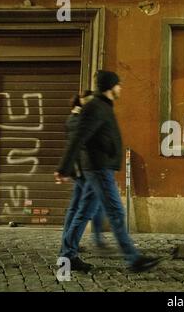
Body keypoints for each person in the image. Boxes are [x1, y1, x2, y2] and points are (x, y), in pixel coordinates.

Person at [54, 70, 160, 272]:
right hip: (99, 168)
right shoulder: (95, 107)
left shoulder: (102, 106)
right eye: (118, 85)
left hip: (100, 167)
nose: (121, 88)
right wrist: (64, 168)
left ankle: (67, 257)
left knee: (84, 212)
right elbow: (78, 137)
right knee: (116, 212)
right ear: (111, 87)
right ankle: (133, 259)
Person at [59, 91, 107, 254]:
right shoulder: (77, 120)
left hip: (80, 170)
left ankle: (69, 243)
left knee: (76, 207)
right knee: (85, 209)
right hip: (83, 170)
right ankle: (69, 247)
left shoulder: (76, 119)